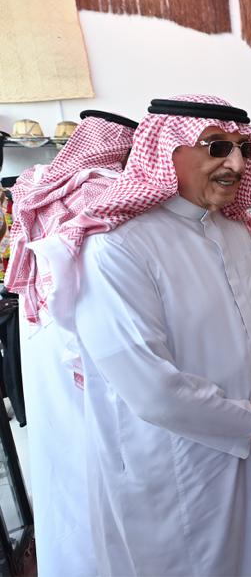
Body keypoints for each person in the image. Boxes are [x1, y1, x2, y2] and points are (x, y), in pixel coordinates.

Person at [31, 95, 251, 576]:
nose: (237, 164)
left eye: (243, 149)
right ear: (167, 150)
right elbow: (152, 389)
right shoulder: (116, 247)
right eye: (216, 147)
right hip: (180, 460)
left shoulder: (234, 231)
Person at [7, 109, 136, 576]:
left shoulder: (40, 185)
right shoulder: (100, 191)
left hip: (42, 333)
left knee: (62, 459)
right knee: (100, 463)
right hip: (78, 340)